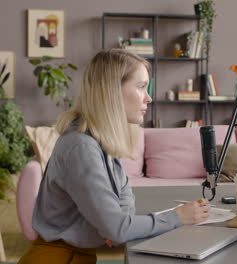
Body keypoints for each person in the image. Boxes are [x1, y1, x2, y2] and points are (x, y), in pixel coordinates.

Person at [19, 49, 211, 264]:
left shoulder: (100, 142)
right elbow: (118, 228)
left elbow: (125, 203)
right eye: (140, 87)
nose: (148, 98)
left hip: (77, 256)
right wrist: (178, 217)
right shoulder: (82, 148)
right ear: (111, 91)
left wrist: (117, 226)